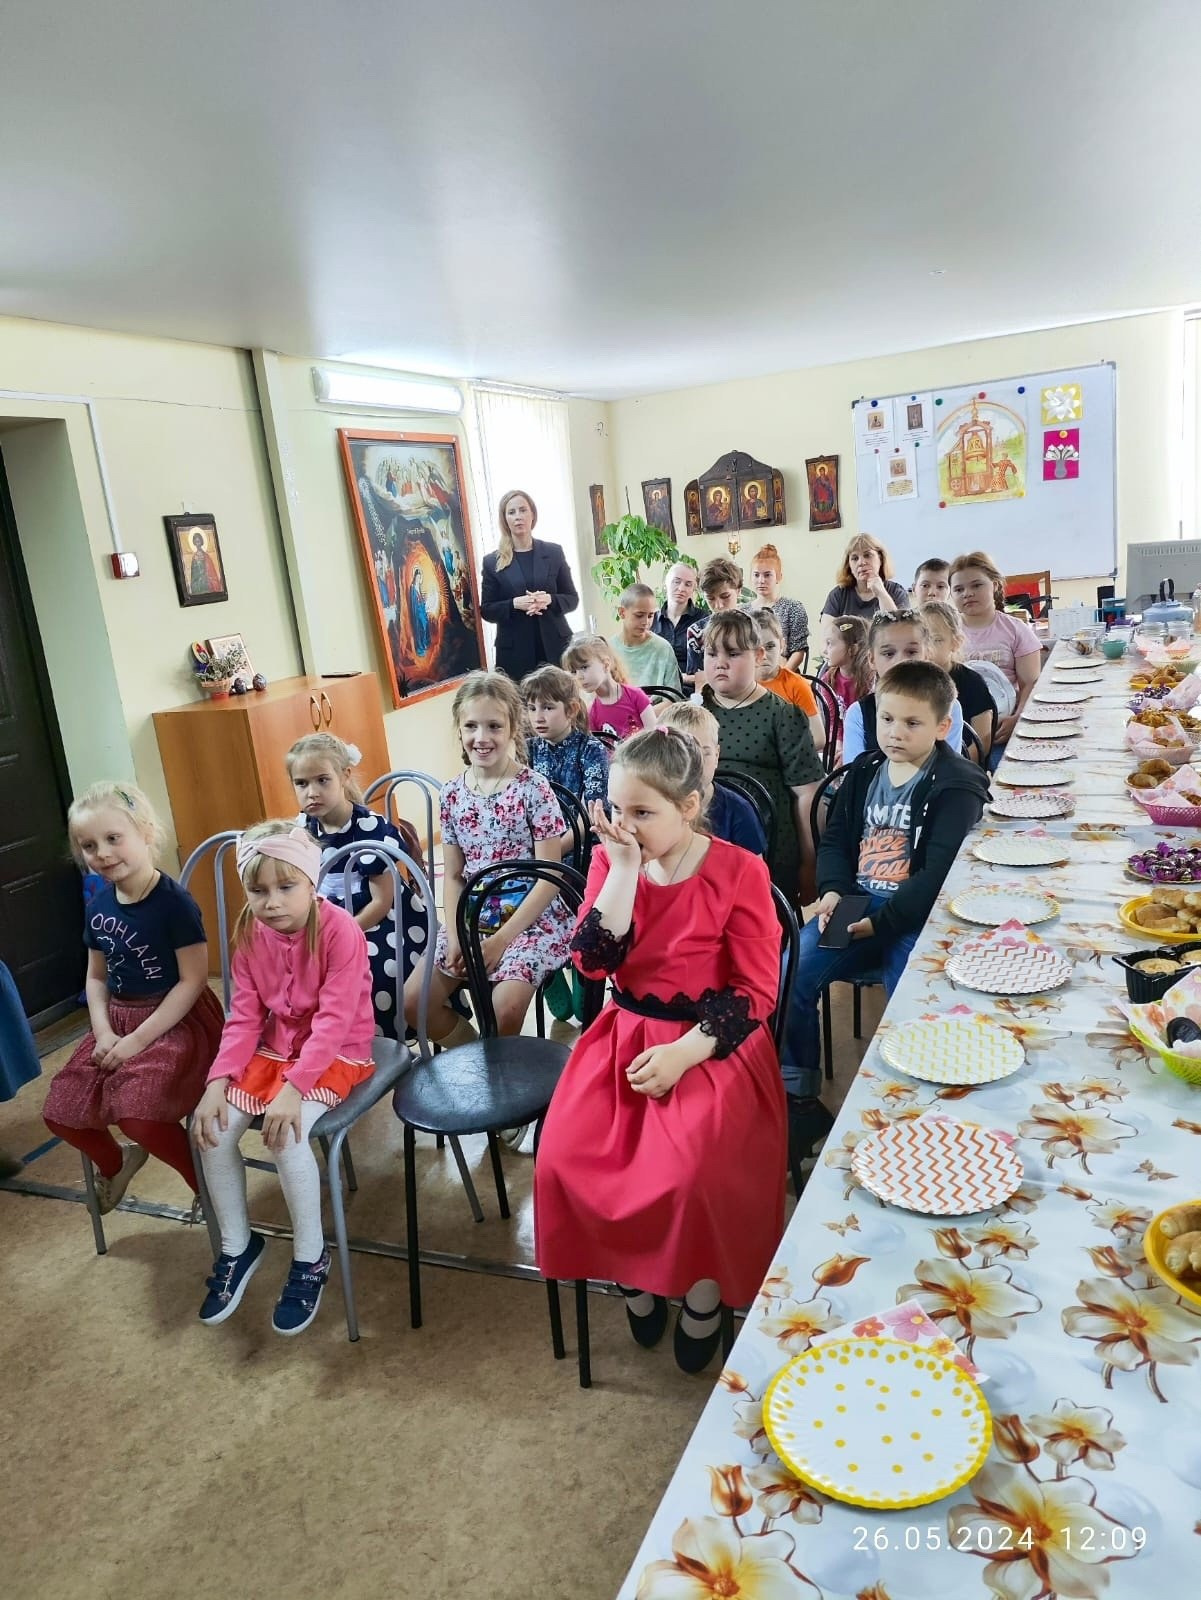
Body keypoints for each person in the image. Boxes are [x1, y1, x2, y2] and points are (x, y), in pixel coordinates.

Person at [534, 726, 787, 1374]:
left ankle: (703, 1297)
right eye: (617, 810)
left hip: (708, 1046)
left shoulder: (738, 871)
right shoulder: (609, 861)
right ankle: (635, 1281)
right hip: (624, 1035)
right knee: (566, 1158)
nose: (625, 825)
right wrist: (620, 872)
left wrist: (685, 1054)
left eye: (643, 813)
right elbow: (592, 965)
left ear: (689, 807)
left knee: (694, 1175)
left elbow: (755, 989)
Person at [781, 661, 990, 1126]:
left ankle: (923, 1110)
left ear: (943, 726)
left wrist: (882, 923)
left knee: (913, 1003)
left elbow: (936, 875)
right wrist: (833, 890)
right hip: (855, 902)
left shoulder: (956, 786)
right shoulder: (864, 772)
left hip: (916, 914)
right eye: (887, 719)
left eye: (912, 723)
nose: (895, 733)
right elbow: (835, 841)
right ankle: (799, 1095)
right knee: (790, 972)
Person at [191, 823, 375, 1335]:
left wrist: (293, 1092)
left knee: (287, 1137)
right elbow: (244, 1016)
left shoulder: (341, 930)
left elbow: (336, 1022)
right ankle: (238, 1246)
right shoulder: (250, 932)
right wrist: (216, 1083)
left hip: (338, 1052)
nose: (270, 903)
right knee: (210, 1130)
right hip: (275, 1048)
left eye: (285, 887)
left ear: (312, 882)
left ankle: (310, 1258)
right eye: (257, 890)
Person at [41, 782, 223, 1213]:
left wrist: (137, 1041)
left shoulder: (173, 904)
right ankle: (116, 1162)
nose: (101, 853)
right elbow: (96, 977)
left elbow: (192, 981)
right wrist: (103, 1031)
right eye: (88, 845)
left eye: (113, 838)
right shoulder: (99, 905)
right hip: (117, 1023)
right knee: (59, 1111)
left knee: (138, 1115)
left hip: (175, 1022)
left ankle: (207, 1186)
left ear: (145, 832)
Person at [401, 672, 574, 1052]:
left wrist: (500, 941)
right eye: (471, 726)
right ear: (459, 730)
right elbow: (453, 875)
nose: (482, 737)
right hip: (473, 914)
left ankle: (497, 1065)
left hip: (532, 917)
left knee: (505, 1008)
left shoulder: (533, 788)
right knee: (414, 1002)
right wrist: (456, 931)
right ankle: (483, 1058)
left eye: (494, 726)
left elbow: (548, 878)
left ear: (514, 727)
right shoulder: (450, 794)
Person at [288, 731, 416, 1041]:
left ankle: (379, 1046)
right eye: (301, 784)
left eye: (322, 780)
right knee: (291, 969)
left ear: (344, 776)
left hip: (383, 923)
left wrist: (342, 936)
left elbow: (382, 902)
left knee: (369, 974)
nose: (311, 793)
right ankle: (324, 1045)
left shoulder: (371, 829)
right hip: (329, 922)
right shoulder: (303, 827)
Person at [701, 610, 824, 900]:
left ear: (757, 655)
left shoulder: (782, 715)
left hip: (769, 845)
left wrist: (809, 863)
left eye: (733, 653)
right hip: (704, 843)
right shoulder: (696, 711)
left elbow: (807, 795)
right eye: (711, 653)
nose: (720, 663)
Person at [479, 489, 579, 679]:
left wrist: (549, 599)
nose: (518, 517)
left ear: (532, 514)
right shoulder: (492, 561)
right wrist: (514, 604)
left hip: (555, 646)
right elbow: (487, 610)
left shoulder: (554, 552)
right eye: (511, 512)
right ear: (505, 520)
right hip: (515, 652)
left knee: (560, 702)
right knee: (521, 706)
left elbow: (572, 599)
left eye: (523, 510)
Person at [842, 611, 964, 762]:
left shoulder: (948, 707)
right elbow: (853, 774)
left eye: (911, 652)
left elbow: (950, 768)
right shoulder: (858, 713)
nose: (900, 661)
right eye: (888, 653)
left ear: (926, 655)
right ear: (871, 659)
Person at [949, 550, 1041, 750]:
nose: (967, 593)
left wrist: (1018, 718)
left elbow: (1030, 683)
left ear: (995, 585)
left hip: (1004, 728)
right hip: (956, 729)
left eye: (976, 585)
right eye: (958, 589)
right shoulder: (945, 632)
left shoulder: (1015, 629)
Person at [657, 700, 767, 857]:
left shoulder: (739, 812)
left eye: (705, 752)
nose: (695, 762)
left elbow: (756, 874)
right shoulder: (651, 806)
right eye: (682, 752)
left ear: (716, 756)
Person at [521, 665, 610, 814]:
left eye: (548, 708)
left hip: (582, 833)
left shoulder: (590, 749)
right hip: (539, 834)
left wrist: (561, 839)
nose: (538, 718)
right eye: (532, 708)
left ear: (571, 710)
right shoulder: (527, 749)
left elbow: (593, 811)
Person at [921, 601, 998, 761]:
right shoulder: (909, 682)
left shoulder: (972, 682)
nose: (925, 648)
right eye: (920, 640)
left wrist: (954, 771)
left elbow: (982, 740)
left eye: (936, 640)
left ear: (955, 643)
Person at [750, 606, 825, 757]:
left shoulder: (796, 685)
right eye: (755, 648)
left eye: (770, 646)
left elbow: (819, 738)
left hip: (787, 761)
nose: (763, 655)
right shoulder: (738, 684)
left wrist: (783, 750)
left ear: (782, 645)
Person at [563, 634, 657, 741]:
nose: (579, 676)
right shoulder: (591, 714)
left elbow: (654, 738)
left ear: (606, 664)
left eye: (584, 667)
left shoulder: (636, 696)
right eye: (574, 672)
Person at [819, 534, 910, 624]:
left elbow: (899, 629)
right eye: (855, 558)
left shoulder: (896, 591)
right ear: (849, 565)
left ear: (880, 559)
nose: (861, 562)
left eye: (867, 555)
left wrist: (881, 594)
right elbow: (827, 634)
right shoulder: (838, 595)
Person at [816, 615, 874, 757]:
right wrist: (839, 747)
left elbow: (869, 724)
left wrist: (849, 750)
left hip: (867, 744)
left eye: (830, 643)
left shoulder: (871, 681)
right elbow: (834, 721)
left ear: (852, 649)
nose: (824, 651)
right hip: (839, 740)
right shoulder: (828, 679)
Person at [610, 582, 683, 691]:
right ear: (622, 612)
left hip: (657, 707)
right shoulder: (609, 650)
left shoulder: (663, 648)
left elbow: (673, 699)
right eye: (639, 615)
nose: (646, 622)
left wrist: (647, 709)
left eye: (650, 615)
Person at [749, 544, 809, 669]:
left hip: (784, 673)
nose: (761, 580)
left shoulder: (793, 608)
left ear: (779, 576)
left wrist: (782, 677)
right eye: (756, 575)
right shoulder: (742, 612)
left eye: (767, 575)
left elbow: (798, 651)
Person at [685, 557, 744, 681]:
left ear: (738, 591)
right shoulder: (696, 632)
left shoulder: (755, 627)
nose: (718, 605)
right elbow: (698, 678)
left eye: (725, 596)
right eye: (711, 598)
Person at [652, 562, 706, 680]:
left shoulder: (703, 620)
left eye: (688, 584)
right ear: (665, 584)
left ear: (693, 589)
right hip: (656, 688)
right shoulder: (651, 620)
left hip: (691, 690)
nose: (681, 588)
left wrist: (681, 679)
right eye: (676, 582)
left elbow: (709, 667)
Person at [189, 528, 222, 595]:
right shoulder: (194, 558)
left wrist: (208, 578)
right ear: (194, 543)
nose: (197, 544)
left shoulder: (207, 556)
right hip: (198, 584)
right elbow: (193, 575)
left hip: (207, 583)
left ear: (201, 542)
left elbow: (212, 572)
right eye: (196, 542)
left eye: (199, 541)